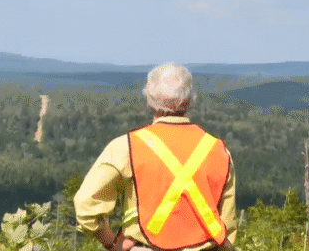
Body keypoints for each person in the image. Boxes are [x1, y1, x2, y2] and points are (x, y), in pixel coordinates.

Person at [74, 62, 236, 251]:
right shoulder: (219, 150)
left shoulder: (125, 147)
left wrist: (112, 243)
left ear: (149, 100)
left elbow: (86, 204)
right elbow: (227, 227)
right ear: (191, 100)